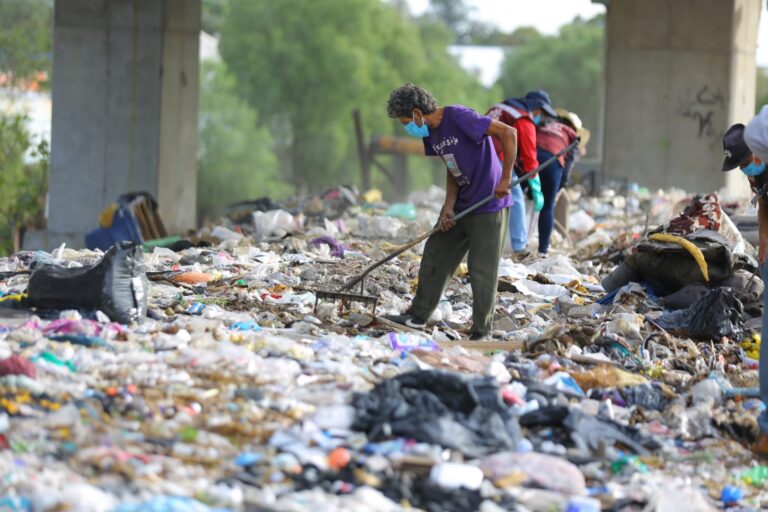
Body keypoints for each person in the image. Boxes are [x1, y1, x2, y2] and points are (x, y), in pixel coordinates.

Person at [382, 83, 517, 340]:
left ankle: (481, 330)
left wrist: (506, 178)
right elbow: (452, 166)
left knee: (481, 269)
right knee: (436, 251)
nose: (406, 127)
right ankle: (417, 316)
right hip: (463, 204)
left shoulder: (459, 116)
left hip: (489, 203)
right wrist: (448, 206)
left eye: (405, 121)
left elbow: (508, 133)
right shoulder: (430, 133)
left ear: (418, 113)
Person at [720, 123, 768, 456]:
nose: (746, 170)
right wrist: (763, 242)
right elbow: (764, 202)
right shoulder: (758, 172)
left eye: (746, 161)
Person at [486, 90, 556, 259]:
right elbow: (530, 158)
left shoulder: (501, 106)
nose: (541, 118)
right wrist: (536, 188)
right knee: (515, 195)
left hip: (478, 156)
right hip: (495, 157)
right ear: (537, 108)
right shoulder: (523, 119)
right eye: (542, 113)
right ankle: (519, 248)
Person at [534, 111, 579, 255]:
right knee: (547, 206)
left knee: (524, 199)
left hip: (532, 158)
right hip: (553, 163)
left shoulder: (544, 124)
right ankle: (542, 250)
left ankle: (519, 243)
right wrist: (560, 187)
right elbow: (567, 168)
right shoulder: (572, 135)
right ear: (573, 126)